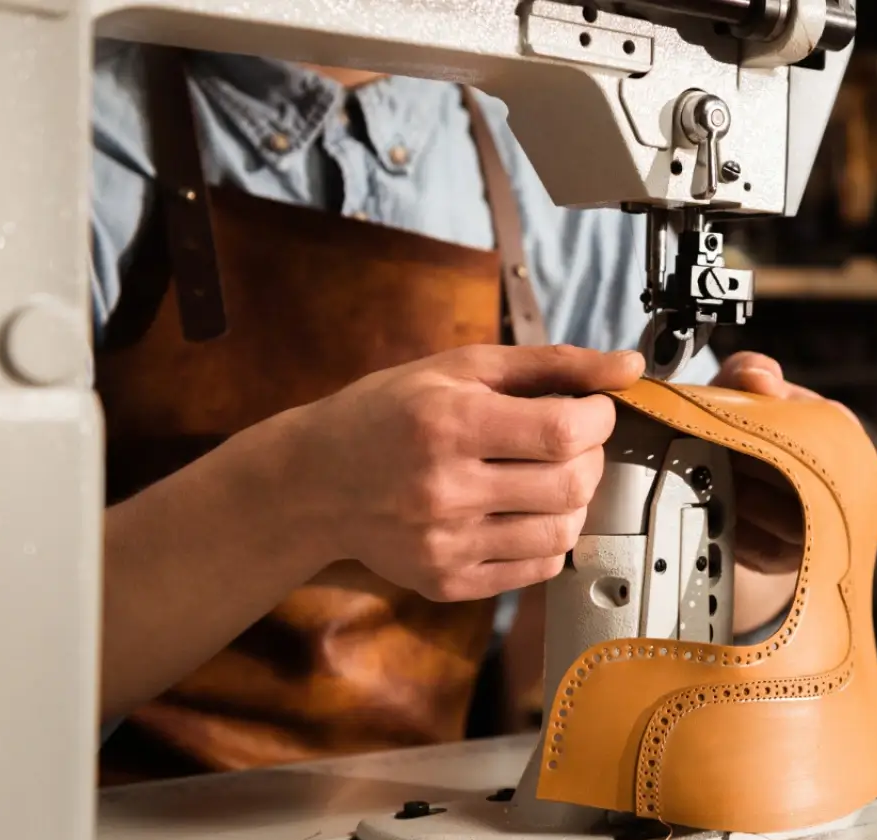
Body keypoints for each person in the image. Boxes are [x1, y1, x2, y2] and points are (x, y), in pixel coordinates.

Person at [89, 41, 824, 781]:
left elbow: (686, 566)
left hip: (429, 794)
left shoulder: (559, 163)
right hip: (103, 818)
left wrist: (761, 530)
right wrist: (302, 492)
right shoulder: (73, 131)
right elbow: (15, 643)